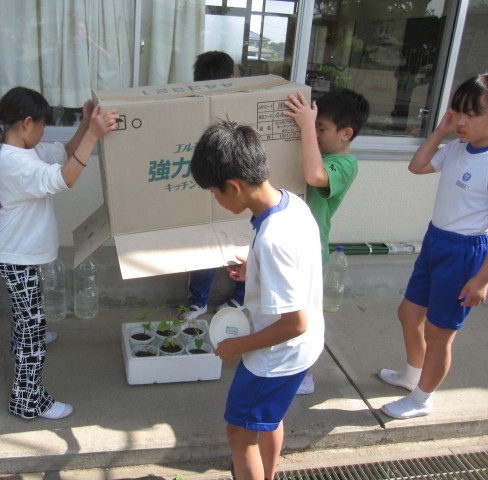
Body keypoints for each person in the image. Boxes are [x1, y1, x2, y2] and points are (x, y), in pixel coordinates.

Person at [190, 119, 324, 480]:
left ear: (234, 186)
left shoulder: (272, 239)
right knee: (267, 419)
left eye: (214, 192)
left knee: (240, 434)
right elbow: (295, 267)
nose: (215, 199)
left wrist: (238, 346)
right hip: (301, 350)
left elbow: (294, 323)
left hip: (275, 357)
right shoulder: (291, 204)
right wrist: (255, 272)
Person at [0, 87, 118, 419]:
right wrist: (93, 136)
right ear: (27, 123)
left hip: (19, 253)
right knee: (33, 331)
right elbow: (65, 178)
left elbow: (64, 153)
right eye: (42, 125)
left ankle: (20, 346)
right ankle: (27, 400)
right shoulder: (14, 161)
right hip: (17, 255)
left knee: (27, 317)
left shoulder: (25, 149)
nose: (44, 132)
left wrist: (84, 126)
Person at [377, 74, 488, 419]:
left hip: (464, 253)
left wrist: (482, 280)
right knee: (409, 315)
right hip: (435, 242)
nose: (462, 121)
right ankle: (413, 376)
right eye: (458, 111)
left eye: (473, 114)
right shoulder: (456, 148)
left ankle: (422, 399)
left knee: (440, 333)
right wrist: (441, 131)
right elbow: (418, 166)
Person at [284, 88, 370, 395]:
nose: (315, 133)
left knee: (304, 315)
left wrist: (306, 127)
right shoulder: (312, 149)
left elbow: (315, 177)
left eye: (321, 128)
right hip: (286, 243)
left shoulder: (345, 164)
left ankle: (304, 375)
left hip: (309, 250)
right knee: (283, 309)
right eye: (315, 126)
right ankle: (285, 361)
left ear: (346, 134)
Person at [179, 50, 246, 321]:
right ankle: (203, 301)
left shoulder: (244, 104)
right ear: (232, 76)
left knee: (240, 243)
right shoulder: (190, 108)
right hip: (212, 185)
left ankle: (228, 298)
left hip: (233, 183)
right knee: (207, 245)